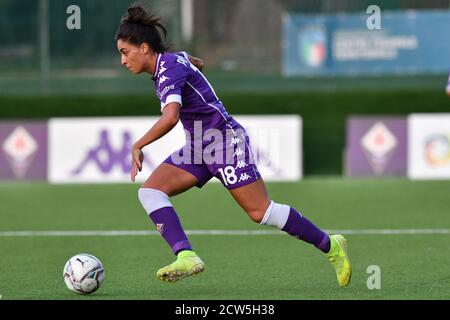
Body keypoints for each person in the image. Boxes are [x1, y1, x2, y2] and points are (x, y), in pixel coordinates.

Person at [115, 4, 352, 287]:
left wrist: (139, 144)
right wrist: (193, 67)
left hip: (223, 141)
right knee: (151, 192)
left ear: (143, 47)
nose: (122, 60)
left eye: (124, 52)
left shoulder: (167, 72)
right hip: (199, 147)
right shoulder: (170, 62)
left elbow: (171, 116)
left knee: (261, 212)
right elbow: (196, 62)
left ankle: (330, 245)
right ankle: (186, 255)